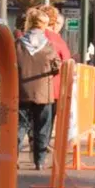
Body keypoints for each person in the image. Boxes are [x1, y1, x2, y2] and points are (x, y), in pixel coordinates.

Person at [17, 9, 63, 171]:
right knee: (42, 128)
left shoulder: (19, 43)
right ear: (44, 25)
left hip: (21, 92)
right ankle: (40, 161)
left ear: (29, 23)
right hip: (44, 93)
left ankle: (12, 158)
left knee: (20, 126)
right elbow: (57, 66)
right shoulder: (48, 45)